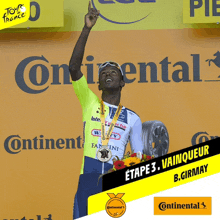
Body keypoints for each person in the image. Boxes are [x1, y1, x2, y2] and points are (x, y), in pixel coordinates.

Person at [69, 2, 144, 219]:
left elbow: (138, 157)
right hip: (89, 178)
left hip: (117, 180)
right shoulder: (90, 102)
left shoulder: (133, 118)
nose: (107, 74)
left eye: (113, 72)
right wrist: (87, 28)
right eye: (102, 74)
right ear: (99, 86)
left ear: (122, 82)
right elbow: (74, 68)